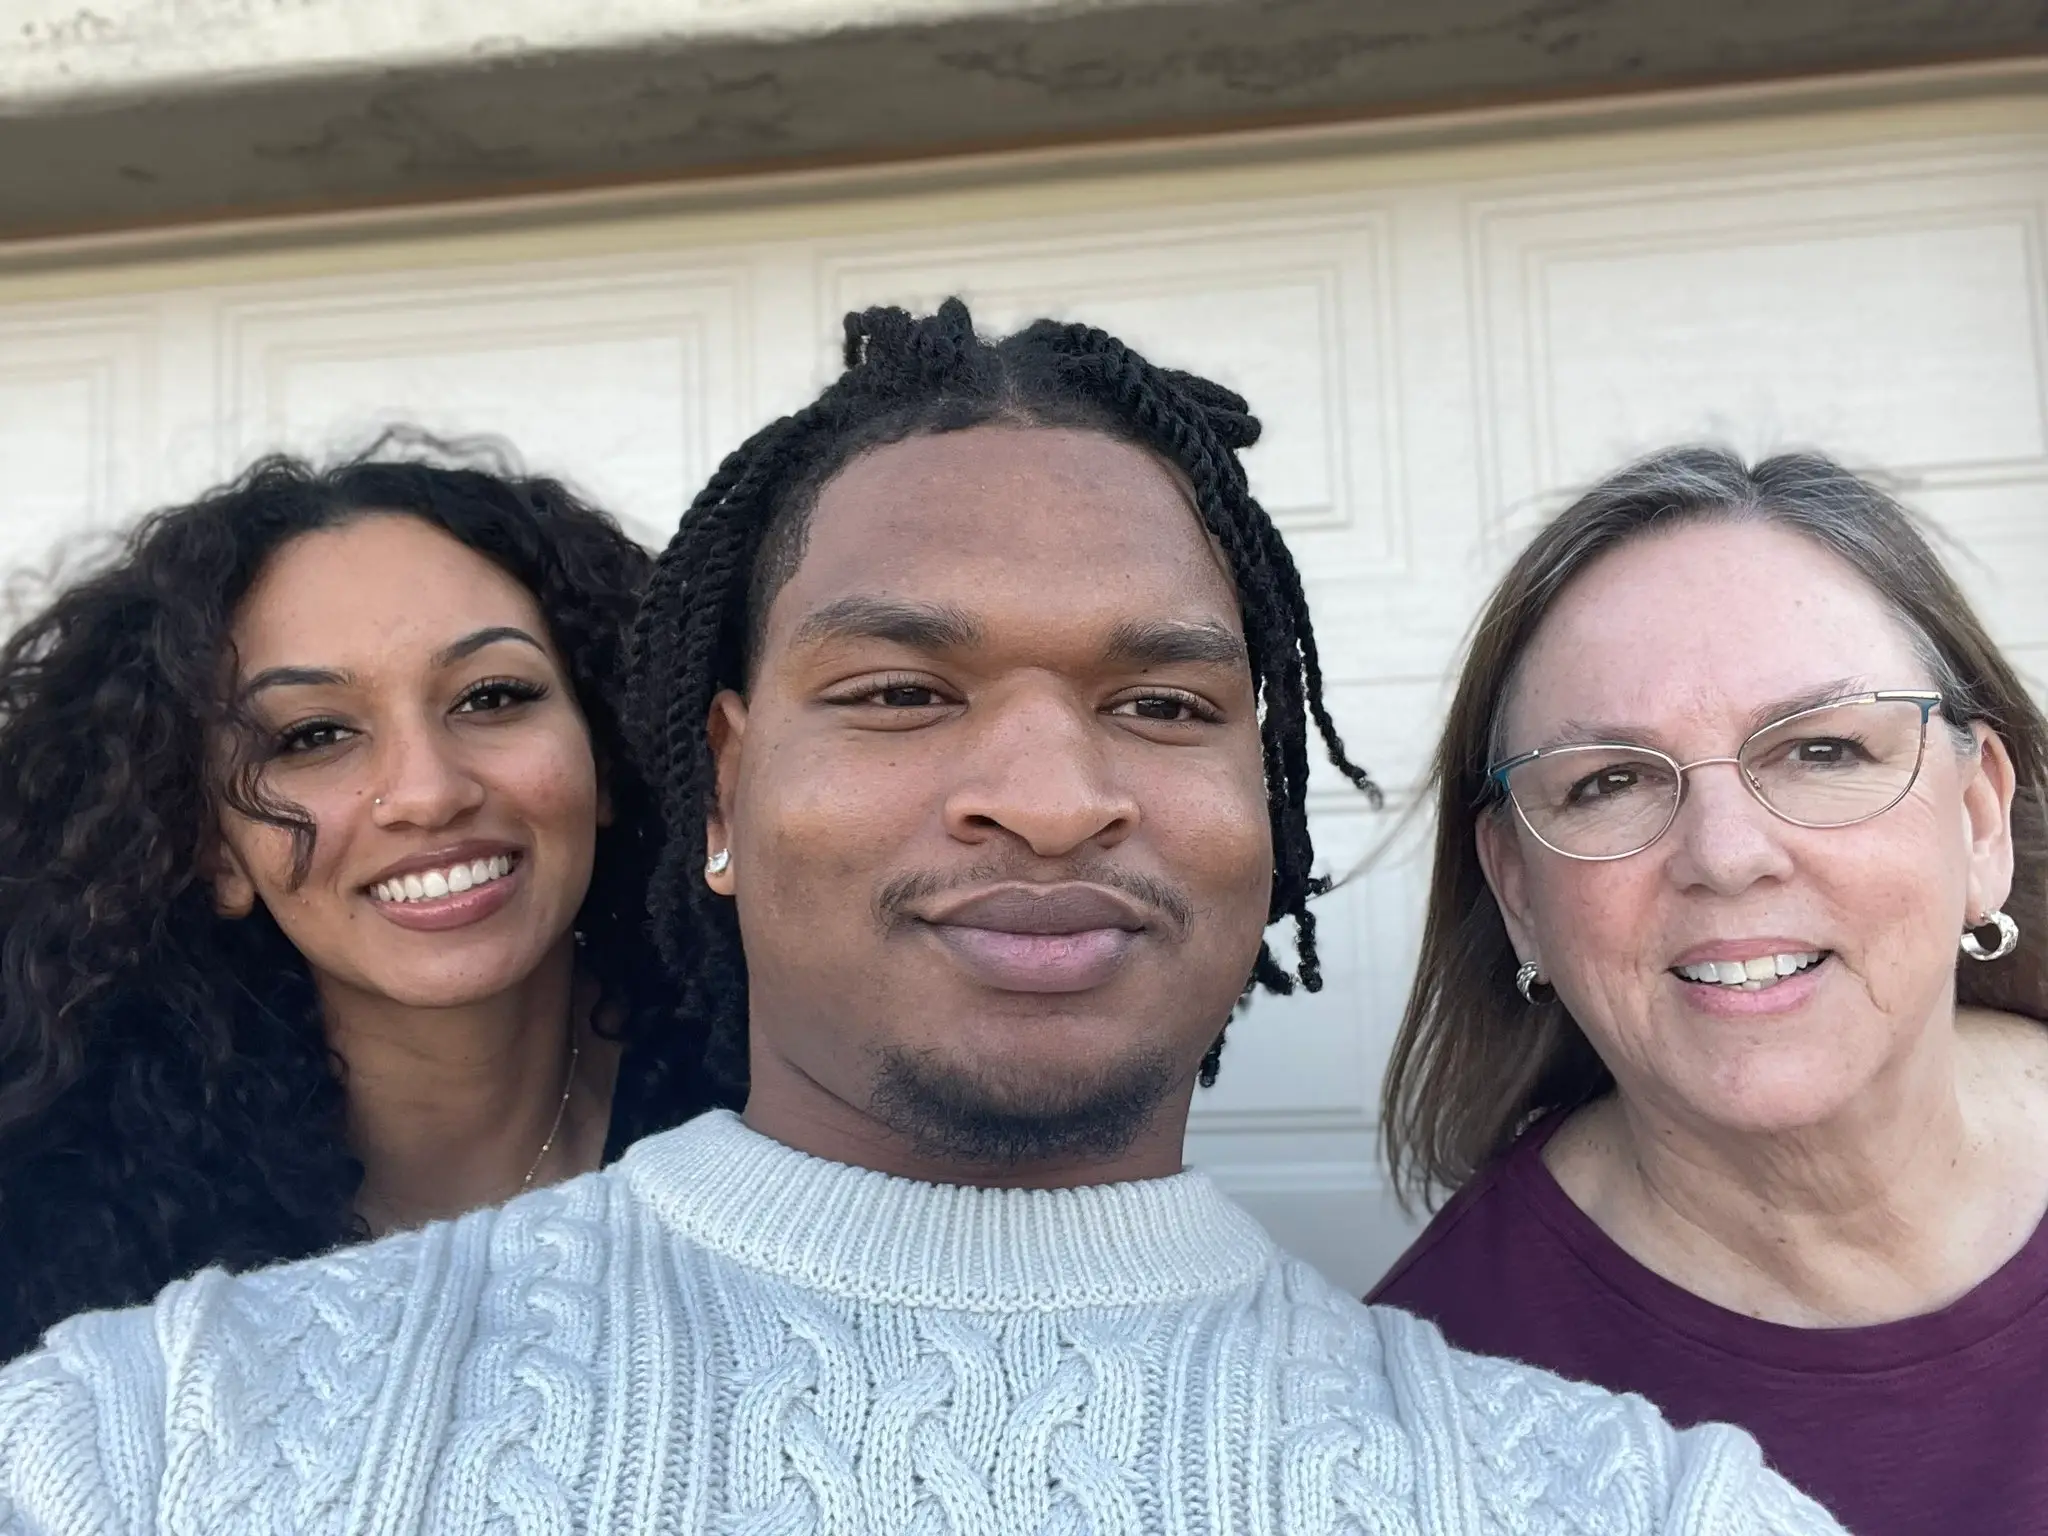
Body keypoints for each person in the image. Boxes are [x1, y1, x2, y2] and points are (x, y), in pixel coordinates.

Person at [0, 308, 1842, 1534]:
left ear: (1267, 813)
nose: (1047, 793)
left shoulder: (1626, 1506)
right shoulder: (155, 1438)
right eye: (898, 693)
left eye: (1163, 703)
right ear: (720, 793)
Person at [1370, 446, 2048, 1534]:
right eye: (1610, 781)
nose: (1726, 856)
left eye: (1822, 750)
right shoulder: (1426, 1420)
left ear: (1976, 823)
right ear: (1518, 892)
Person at [0, 450, 726, 1362]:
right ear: (213, 846)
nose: (427, 793)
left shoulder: (787, 1124)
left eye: (492, 696)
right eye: (313, 735)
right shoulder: (52, 1239)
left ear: (607, 756)